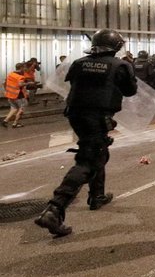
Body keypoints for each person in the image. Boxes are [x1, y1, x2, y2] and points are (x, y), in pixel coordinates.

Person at [34, 30, 137, 237]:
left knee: (98, 150)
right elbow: (130, 91)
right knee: (88, 161)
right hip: (97, 116)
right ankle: (55, 208)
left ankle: (97, 195)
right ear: (116, 47)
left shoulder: (79, 62)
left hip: (76, 115)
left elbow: (73, 83)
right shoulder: (121, 66)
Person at [3, 62, 29, 128]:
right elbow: (20, 84)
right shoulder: (20, 77)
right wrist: (28, 83)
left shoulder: (10, 74)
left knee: (14, 108)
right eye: (24, 67)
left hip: (10, 95)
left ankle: (5, 120)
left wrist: (6, 90)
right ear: (21, 68)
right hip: (19, 95)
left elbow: (4, 83)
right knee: (21, 109)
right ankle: (15, 123)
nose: (25, 69)